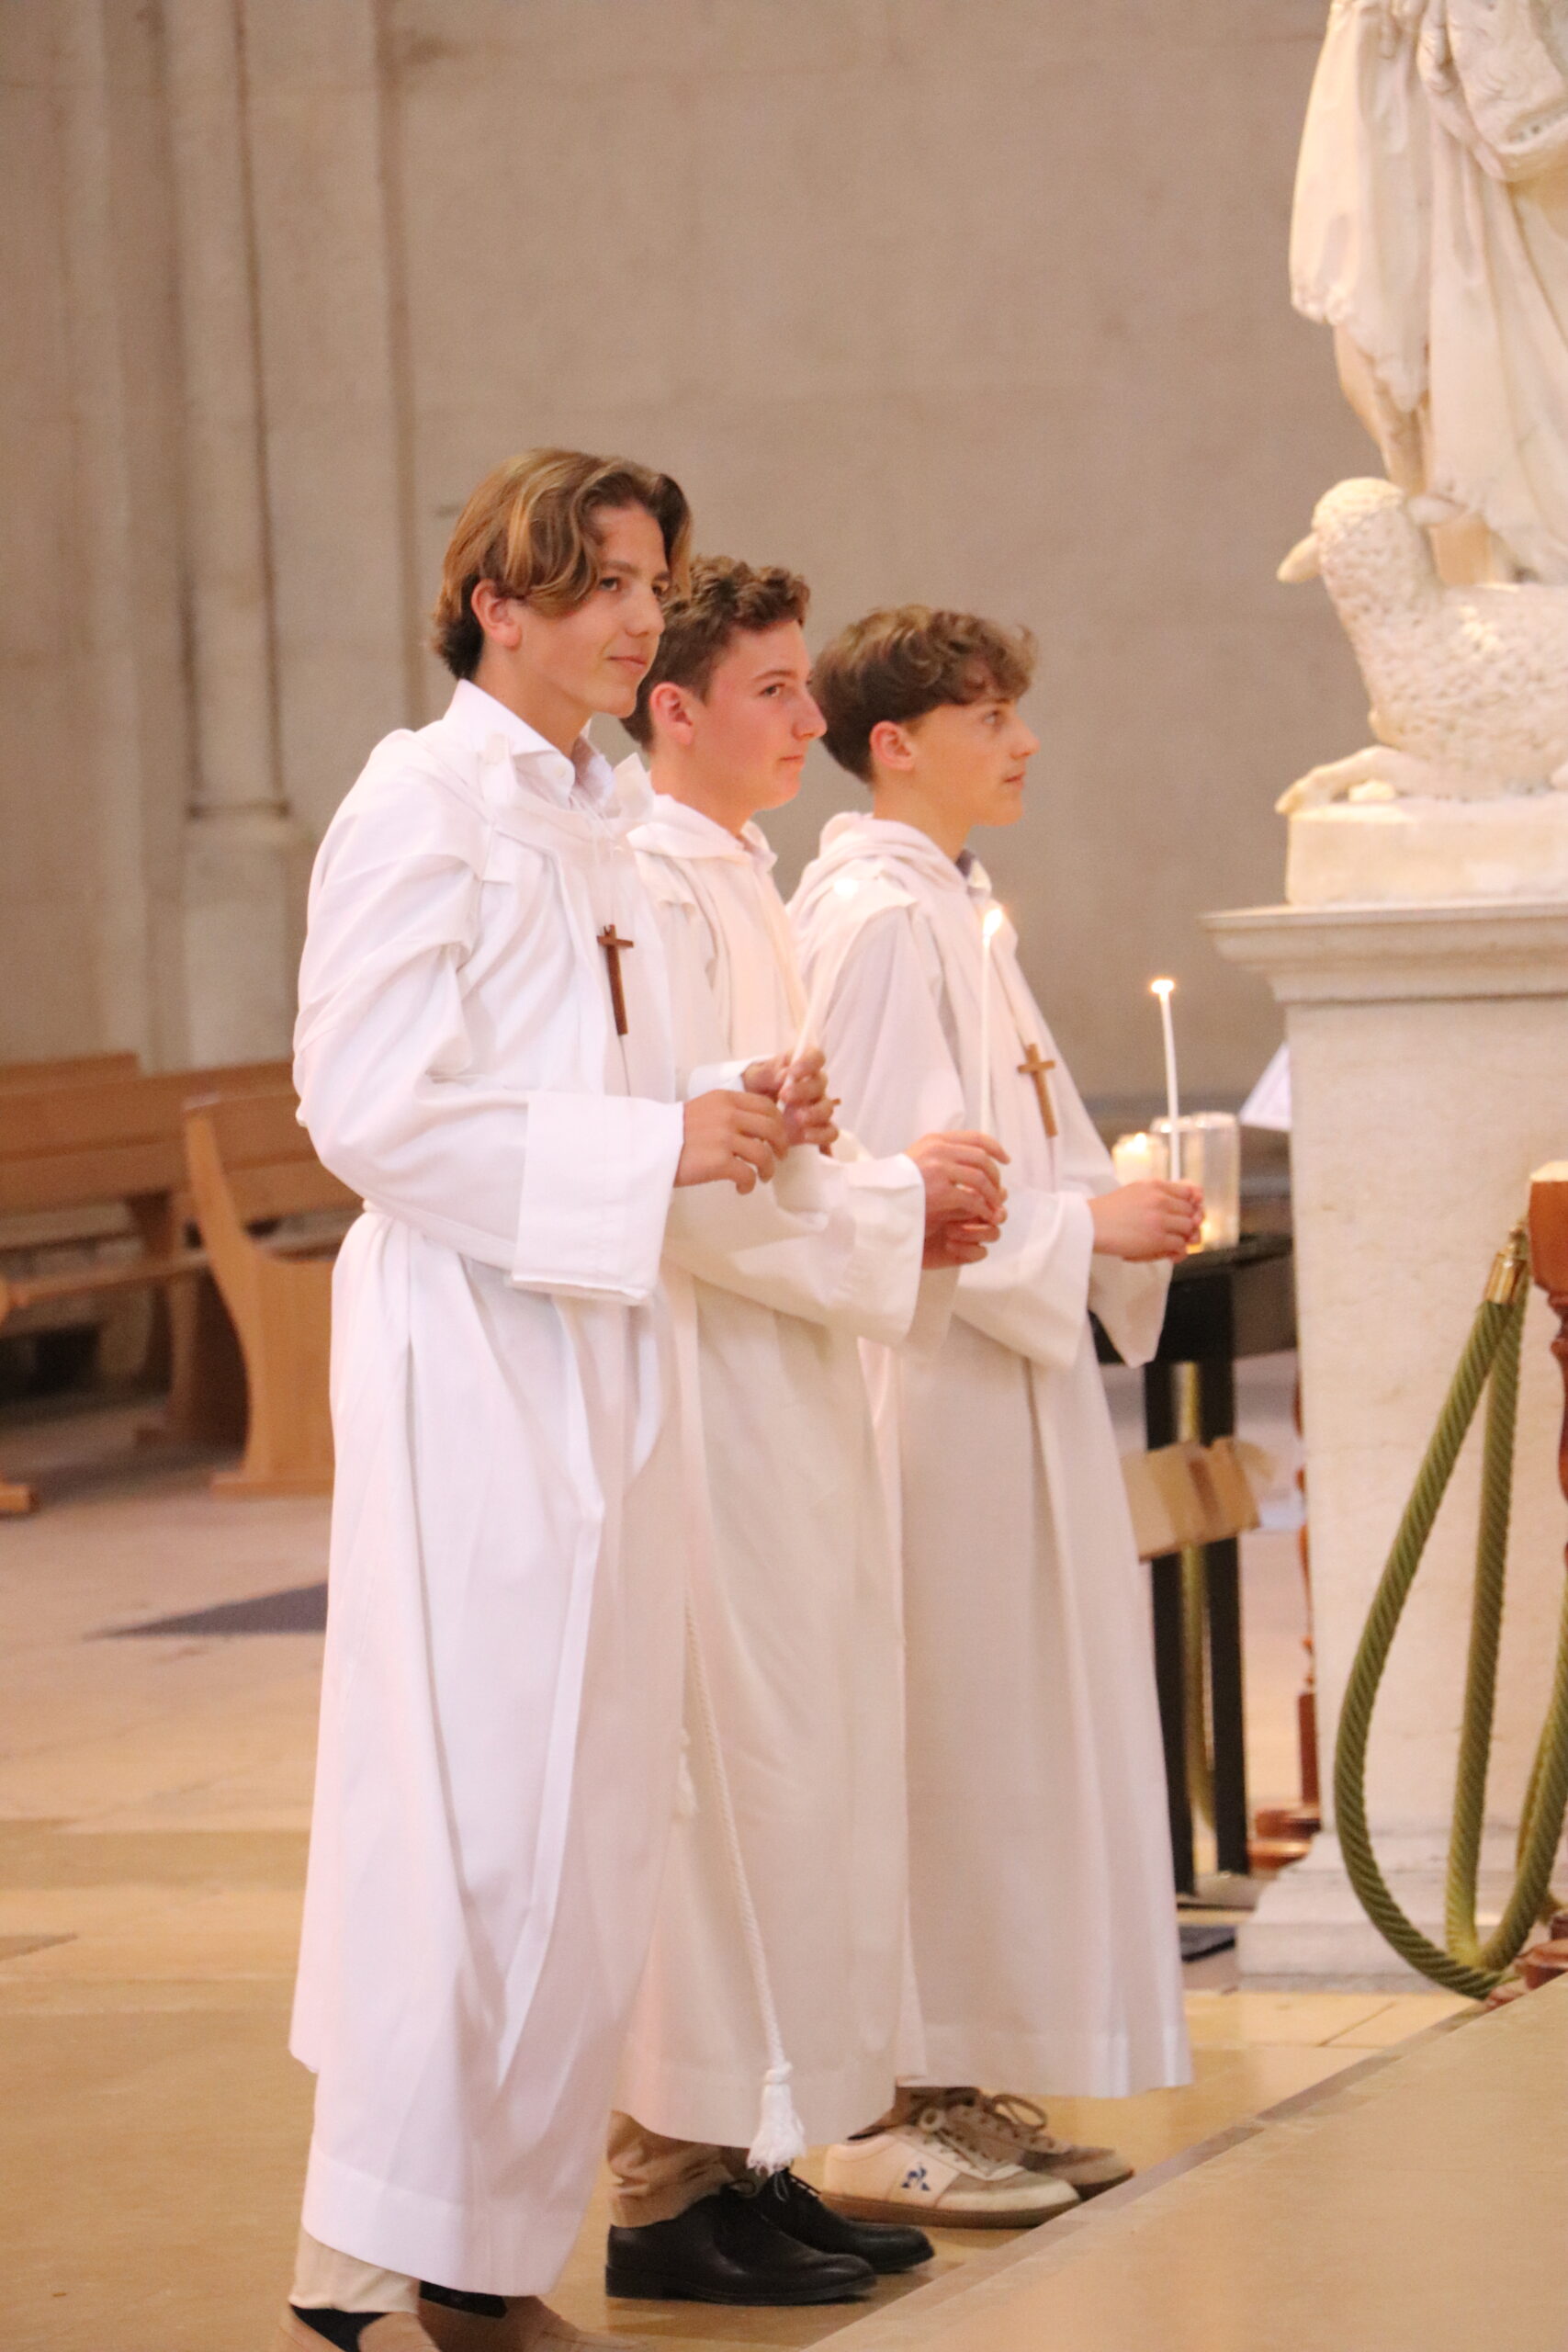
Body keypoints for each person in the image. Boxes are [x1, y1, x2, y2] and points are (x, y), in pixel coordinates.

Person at [278, 451, 818, 2352]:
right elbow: (362, 1105)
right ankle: (404, 2261)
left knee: (585, 1818)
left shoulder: (594, 817)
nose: (634, 616)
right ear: (493, 603)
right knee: (475, 1810)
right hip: (479, 1347)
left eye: (650, 582)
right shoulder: (421, 803)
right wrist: (647, 1147)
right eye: (596, 583)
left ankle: (472, 2250)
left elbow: (600, 1082)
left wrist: (729, 1109)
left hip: (601, 1339)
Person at [601, 557, 1040, 2305]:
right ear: (676, 709)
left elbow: (779, 1143)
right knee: (726, 1783)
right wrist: (889, 1205)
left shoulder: (744, 877)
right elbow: (684, 1177)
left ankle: (754, 2153)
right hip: (709, 1382)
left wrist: (880, 1184)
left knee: (801, 1777)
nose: (809, 720)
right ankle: (662, 2192)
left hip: (786, 1370)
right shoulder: (648, 885)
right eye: (773, 691)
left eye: (804, 685)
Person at [791, 605, 1201, 2228]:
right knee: (934, 1729)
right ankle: (881, 2101)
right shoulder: (879, 924)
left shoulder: (958, 911)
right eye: (988, 715)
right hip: (928, 1397)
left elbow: (1011, 1158)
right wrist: (1080, 1232)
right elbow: (889, 1192)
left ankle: (953, 2077)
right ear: (896, 746)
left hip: (999, 1388)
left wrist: (1114, 1213)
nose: (1023, 741)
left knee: (996, 1739)